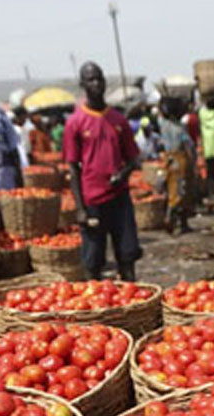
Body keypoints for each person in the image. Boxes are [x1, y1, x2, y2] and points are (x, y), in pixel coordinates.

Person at [63, 61, 141, 281]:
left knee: (127, 256)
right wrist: (80, 209)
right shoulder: (75, 122)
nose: (96, 83)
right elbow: (73, 168)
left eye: (99, 78)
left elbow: (133, 159)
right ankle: (95, 299)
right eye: (90, 80)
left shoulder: (118, 119)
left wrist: (123, 174)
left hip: (120, 199)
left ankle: (132, 295)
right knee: (93, 261)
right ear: (82, 84)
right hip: (92, 201)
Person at [158, 98, 196, 234]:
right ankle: (172, 218)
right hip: (179, 160)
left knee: (171, 190)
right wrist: (193, 161)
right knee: (181, 192)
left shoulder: (163, 125)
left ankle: (176, 220)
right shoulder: (180, 128)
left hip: (167, 159)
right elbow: (188, 145)